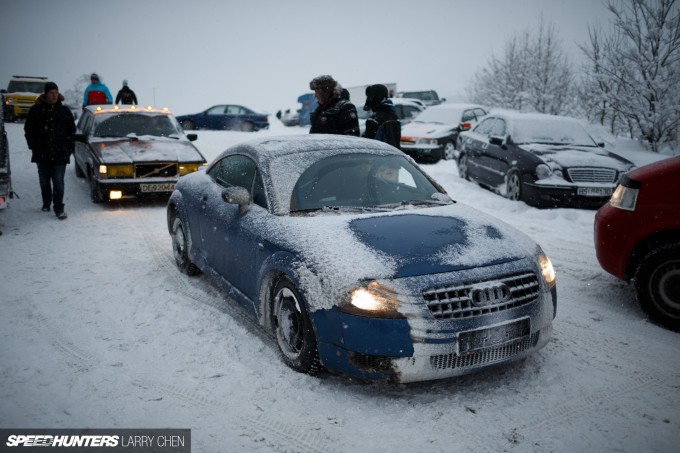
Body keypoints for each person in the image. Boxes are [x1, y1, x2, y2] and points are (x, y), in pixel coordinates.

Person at [24, 82, 76, 220]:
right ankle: (46, 201)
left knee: (58, 181)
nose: (54, 95)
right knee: (44, 181)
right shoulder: (36, 110)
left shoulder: (64, 111)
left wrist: (68, 149)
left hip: (60, 154)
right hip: (42, 154)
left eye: (56, 93)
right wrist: (33, 146)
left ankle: (59, 208)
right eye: (51, 93)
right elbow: (29, 130)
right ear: (46, 94)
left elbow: (72, 132)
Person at [362, 84, 401, 150]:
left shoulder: (374, 120)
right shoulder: (394, 116)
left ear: (374, 98)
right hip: (395, 157)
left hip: (378, 158)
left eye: (369, 97)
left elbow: (369, 148)